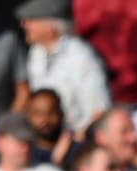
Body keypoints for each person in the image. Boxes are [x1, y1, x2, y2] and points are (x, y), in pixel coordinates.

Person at [17, 0, 112, 136]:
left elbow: (99, 111)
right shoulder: (36, 53)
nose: (23, 24)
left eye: (30, 20)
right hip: (45, 136)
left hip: (76, 140)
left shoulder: (80, 56)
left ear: (50, 26)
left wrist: (76, 141)